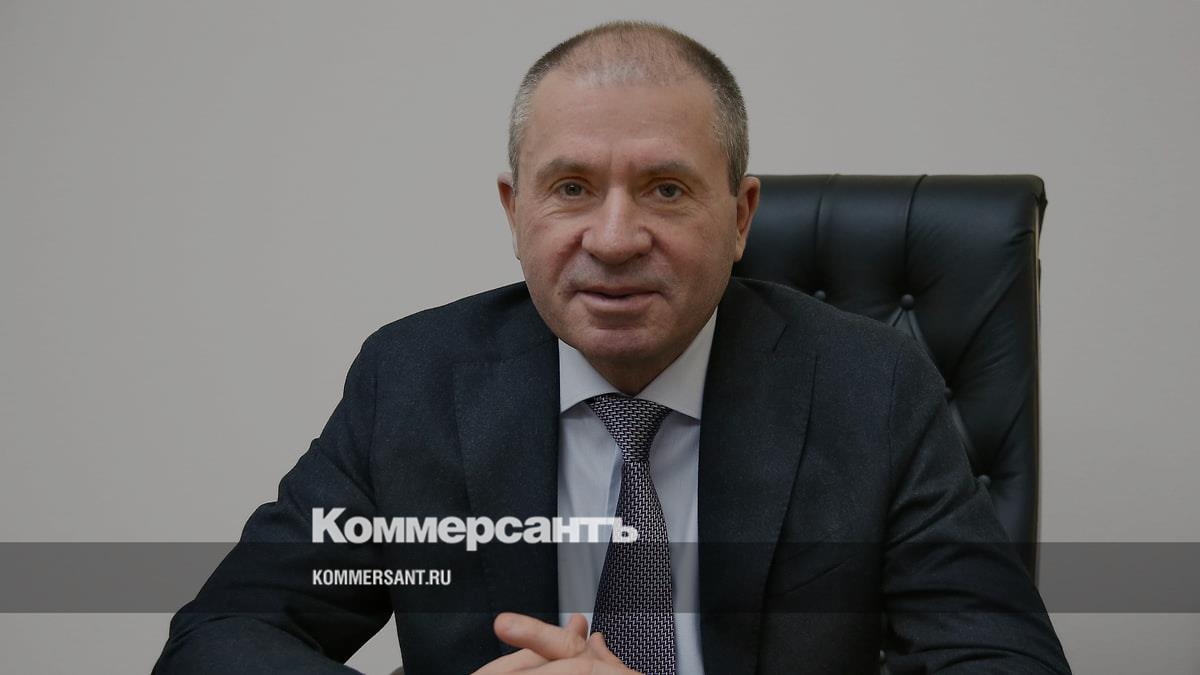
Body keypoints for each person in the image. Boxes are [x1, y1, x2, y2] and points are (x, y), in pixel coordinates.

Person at [154, 21, 1071, 674]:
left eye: (667, 188)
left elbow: (1007, 661)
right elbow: (220, 637)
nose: (616, 237)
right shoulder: (413, 381)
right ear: (515, 210)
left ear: (740, 215)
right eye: (571, 188)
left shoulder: (871, 388)